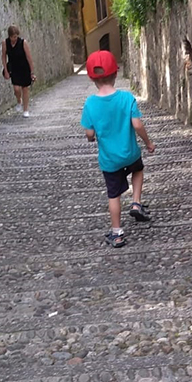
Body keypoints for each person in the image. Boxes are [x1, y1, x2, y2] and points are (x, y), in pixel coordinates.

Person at [80, 49, 155, 248]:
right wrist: (148, 143)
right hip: (130, 153)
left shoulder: (90, 104)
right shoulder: (126, 98)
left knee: (113, 195)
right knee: (138, 169)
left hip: (109, 160)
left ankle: (117, 233)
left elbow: (89, 134)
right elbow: (137, 125)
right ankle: (136, 202)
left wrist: (92, 137)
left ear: (91, 78)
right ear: (116, 73)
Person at [1, 25, 36, 117]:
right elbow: (3, 57)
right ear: (9, 36)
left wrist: (32, 72)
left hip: (24, 67)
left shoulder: (23, 42)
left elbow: (29, 58)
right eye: (13, 37)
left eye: (16, 36)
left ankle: (26, 109)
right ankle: (18, 101)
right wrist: (6, 70)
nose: (15, 38)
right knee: (16, 89)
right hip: (14, 68)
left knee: (25, 88)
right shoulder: (5, 43)